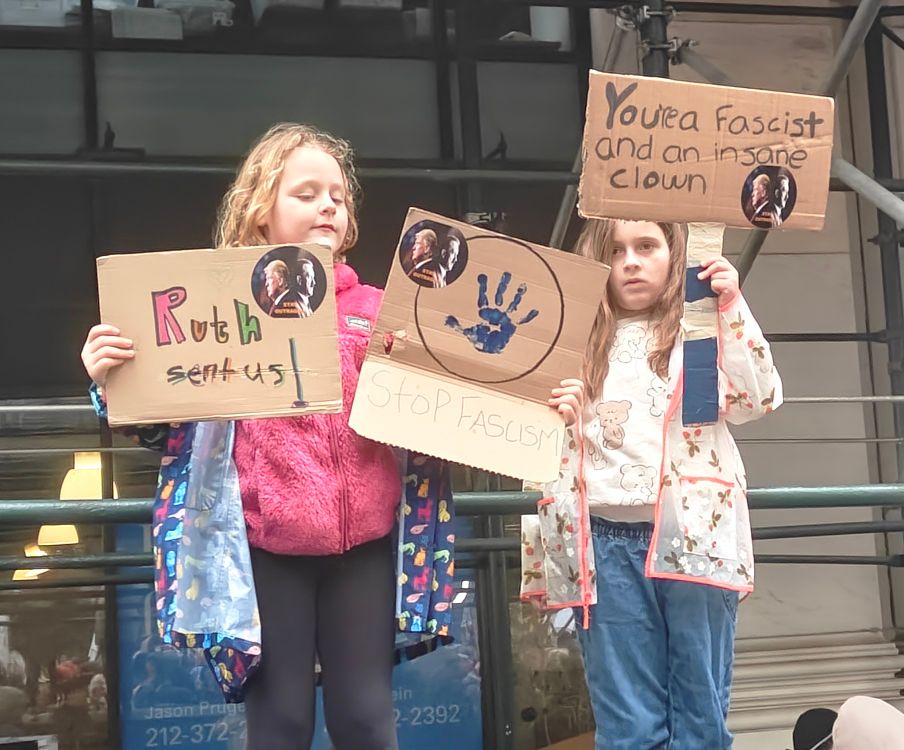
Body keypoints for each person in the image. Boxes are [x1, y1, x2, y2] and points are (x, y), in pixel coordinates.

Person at [80, 122, 580, 750]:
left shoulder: (385, 310)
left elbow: (464, 406)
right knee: (281, 722)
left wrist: (539, 398)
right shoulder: (216, 316)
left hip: (365, 550)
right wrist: (112, 381)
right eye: (307, 193)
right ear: (261, 213)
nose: (328, 206)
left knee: (367, 721)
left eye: (338, 197)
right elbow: (166, 430)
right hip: (267, 552)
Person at [530, 218, 782, 750]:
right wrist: (555, 420)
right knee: (627, 726)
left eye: (646, 246)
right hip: (603, 543)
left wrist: (732, 304)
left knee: (701, 716)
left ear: (674, 254)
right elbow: (537, 450)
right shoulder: (571, 340)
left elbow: (758, 399)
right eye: (616, 250)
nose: (631, 261)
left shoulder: (700, 326)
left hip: (695, 537)